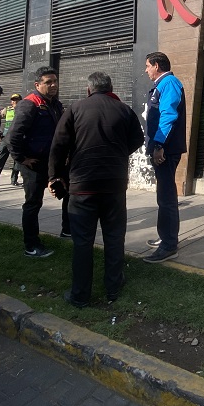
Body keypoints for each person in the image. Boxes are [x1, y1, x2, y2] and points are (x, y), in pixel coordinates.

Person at [48, 72, 144, 307]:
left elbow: (59, 144)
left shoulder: (76, 108)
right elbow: (138, 140)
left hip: (82, 186)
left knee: (82, 242)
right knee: (114, 237)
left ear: (89, 89)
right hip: (114, 184)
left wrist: (55, 175)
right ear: (110, 87)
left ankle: (80, 296)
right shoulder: (124, 110)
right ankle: (113, 286)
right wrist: (118, 154)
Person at [8, 67, 65, 257]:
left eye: (55, 81)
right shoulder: (30, 104)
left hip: (53, 161)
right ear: (37, 85)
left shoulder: (55, 104)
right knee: (33, 203)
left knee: (68, 192)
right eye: (48, 82)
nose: (53, 85)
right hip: (34, 164)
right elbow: (12, 137)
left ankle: (67, 230)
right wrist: (22, 158)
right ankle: (31, 245)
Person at [143, 51, 186, 264]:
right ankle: (165, 237)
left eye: (148, 66)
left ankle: (169, 246)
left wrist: (159, 145)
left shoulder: (169, 83)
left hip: (165, 151)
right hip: (162, 149)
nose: (146, 70)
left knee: (167, 198)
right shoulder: (163, 84)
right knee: (163, 196)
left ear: (157, 65)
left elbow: (168, 115)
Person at [0, 93, 22, 188]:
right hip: (5, 139)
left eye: (16, 100)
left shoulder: (23, 110)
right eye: (12, 100)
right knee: (0, 159)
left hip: (16, 139)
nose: (14, 102)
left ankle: (14, 180)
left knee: (16, 160)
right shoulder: (7, 110)